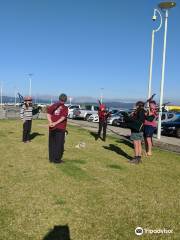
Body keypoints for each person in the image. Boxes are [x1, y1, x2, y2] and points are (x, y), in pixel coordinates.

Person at [47, 93, 68, 164]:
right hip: (60, 128)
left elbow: (48, 114)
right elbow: (63, 117)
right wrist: (54, 123)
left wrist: (51, 122)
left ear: (59, 99)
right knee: (59, 144)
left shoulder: (54, 105)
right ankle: (57, 159)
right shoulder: (65, 108)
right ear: (65, 100)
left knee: (52, 143)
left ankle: (51, 159)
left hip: (52, 127)